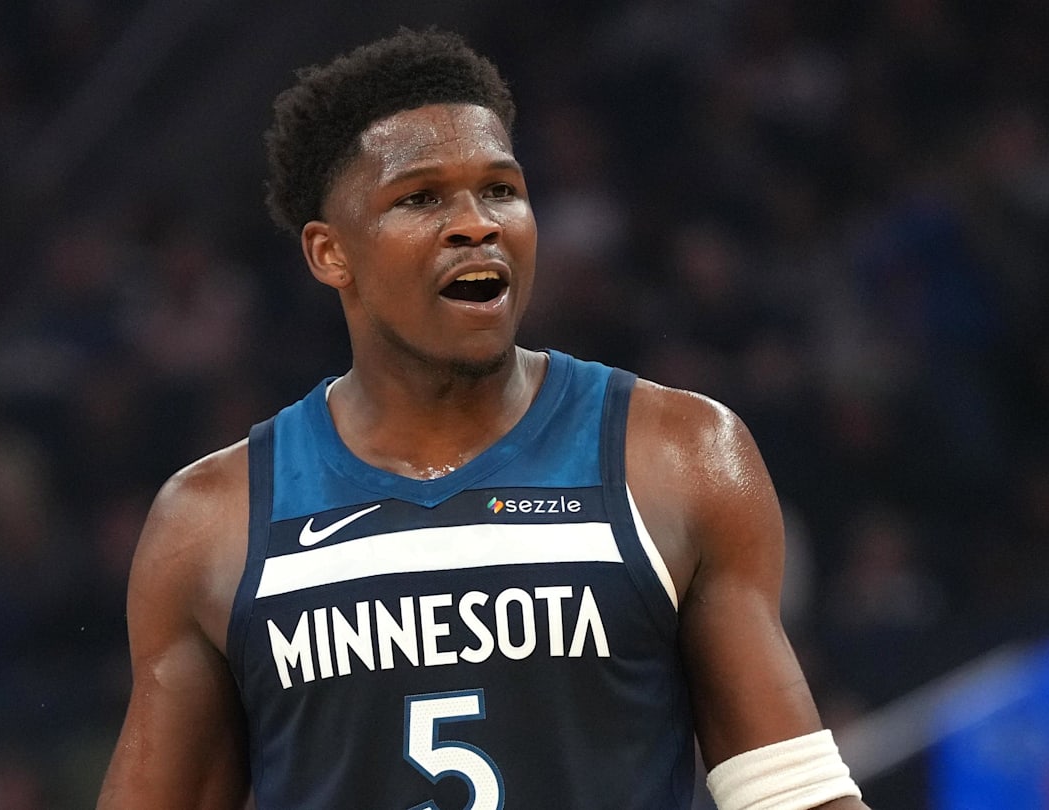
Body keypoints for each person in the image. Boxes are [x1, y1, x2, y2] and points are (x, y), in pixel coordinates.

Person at [97, 27, 868, 810]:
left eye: (501, 188)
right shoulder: (210, 521)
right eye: (421, 198)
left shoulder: (680, 455)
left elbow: (794, 798)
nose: (477, 223)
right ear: (331, 254)